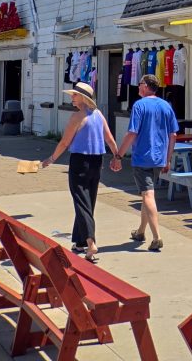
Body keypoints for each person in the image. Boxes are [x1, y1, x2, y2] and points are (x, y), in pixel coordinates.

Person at [42, 82, 119, 262]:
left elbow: (64, 143)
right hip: (96, 161)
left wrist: (51, 159)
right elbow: (109, 139)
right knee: (88, 200)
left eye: (75, 95)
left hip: (80, 162)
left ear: (83, 98)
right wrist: (117, 157)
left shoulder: (77, 117)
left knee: (81, 202)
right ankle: (79, 241)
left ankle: (91, 243)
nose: (72, 98)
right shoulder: (98, 115)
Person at [109, 74, 178, 252]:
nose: (138, 87)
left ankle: (157, 237)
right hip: (159, 157)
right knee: (146, 195)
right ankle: (140, 231)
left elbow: (132, 133)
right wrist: (168, 158)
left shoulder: (139, 105)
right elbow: (173, 135)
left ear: (146, 86)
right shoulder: (166, 106)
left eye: (140, 84)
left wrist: (118, 155)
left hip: (142, 158)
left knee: (148, 196)